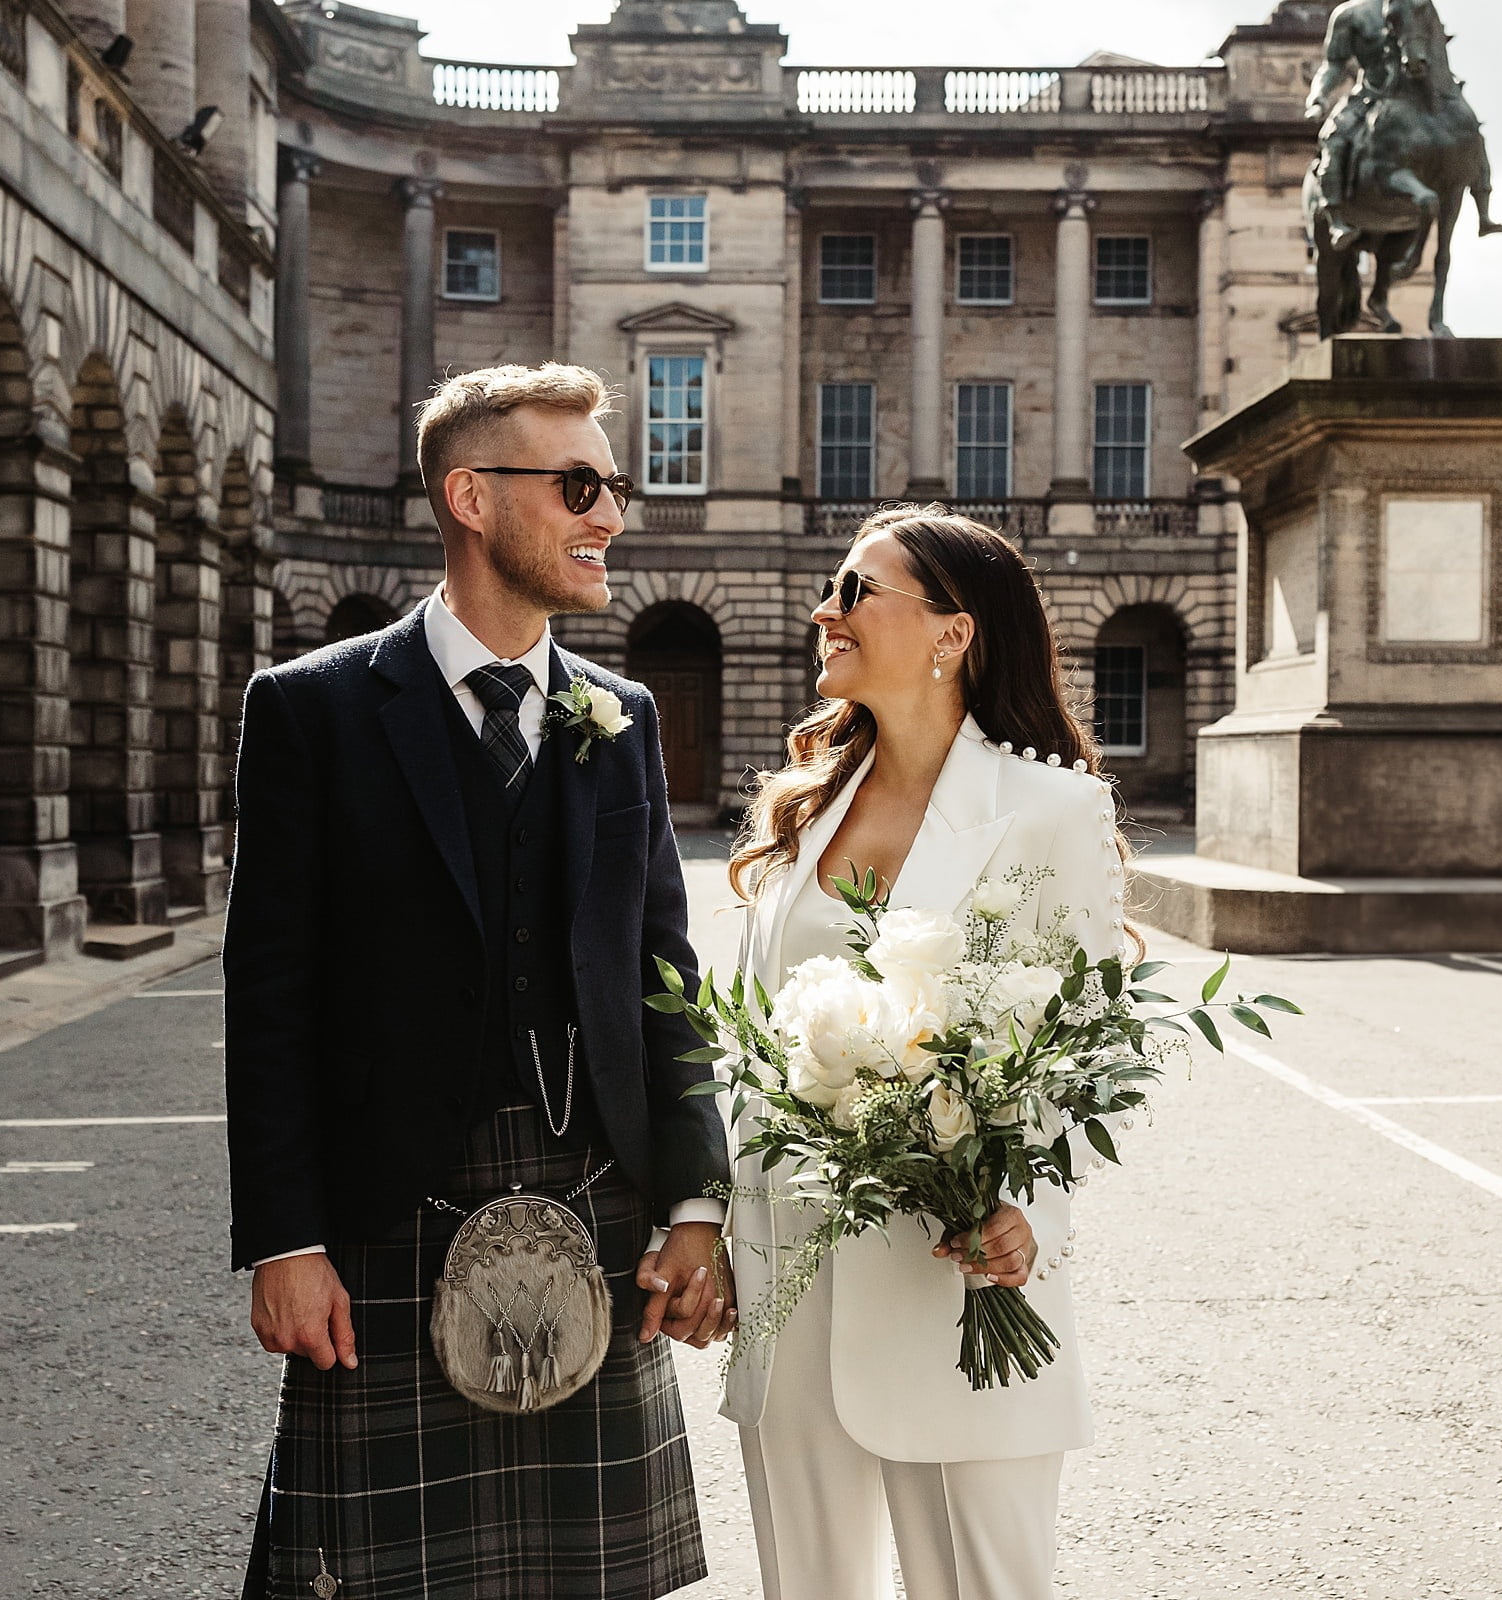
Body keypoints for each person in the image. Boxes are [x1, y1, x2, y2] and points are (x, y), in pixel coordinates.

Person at [225, 362, 733, 1600]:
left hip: (596, 1194)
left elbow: (667, 969)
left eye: (613, 484)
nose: (608, 512)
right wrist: (284, 1237)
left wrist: (699, 1202)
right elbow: (269, 989)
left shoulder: (622, 713)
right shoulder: (316, 709)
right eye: (577, 484)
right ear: (468, 495)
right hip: (392, 1211)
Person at [723, 506, 1135, 1600]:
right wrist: (710, 1225)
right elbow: (750, 1050)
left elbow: (1087, 1049)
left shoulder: (1052, 810)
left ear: (952, 634)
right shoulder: (802, 814)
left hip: (958, 1277)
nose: (826, 610)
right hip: (792, 1280)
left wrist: (1026, 1215)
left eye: (857, 591)